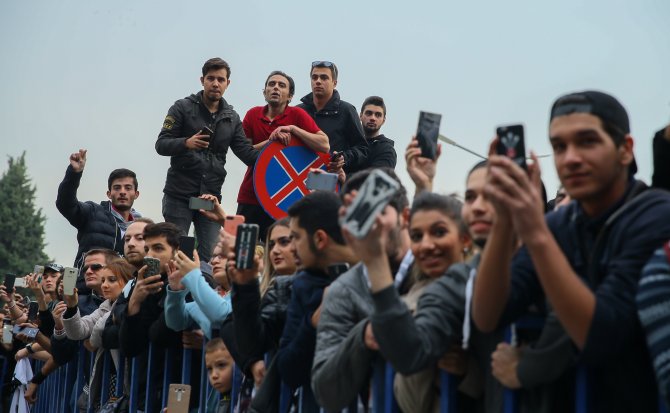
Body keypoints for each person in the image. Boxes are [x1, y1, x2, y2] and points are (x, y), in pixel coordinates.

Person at [471, 90, 670, 412]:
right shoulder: (560, 225)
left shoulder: (656, 214)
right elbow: (488, 315)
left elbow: (602, 336)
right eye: (559, 146)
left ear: (625, 150)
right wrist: (505, 220)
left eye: (587, 141)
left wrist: (535, 232)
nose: (570, 158)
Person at [311, 168, 409, 411]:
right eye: (359, 215)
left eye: (376, 210)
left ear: (404, 217)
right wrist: (362, 337)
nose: (370, 224)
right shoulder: (343, 289)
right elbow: (326, 390)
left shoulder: (432, 267)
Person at [155, 57, 258, 262]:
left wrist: (280, 155)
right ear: (202, 80)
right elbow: (161, 144)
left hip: (210, 199)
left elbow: (247, 154)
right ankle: (176, 294)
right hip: (179, 195)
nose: (216, 83)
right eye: (211, 78)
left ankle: (203, 294)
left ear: (228, 83)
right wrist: (186, 142)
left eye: (221, 79)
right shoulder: (182, 107)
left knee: (210, 259)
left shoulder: (232, 118)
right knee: (178, 255)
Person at [237, 71, 329, 239]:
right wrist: (271, 142)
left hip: (283, 203)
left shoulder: (298, 115)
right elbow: (244, 150)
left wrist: (294, 129)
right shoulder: (252, 114)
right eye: (271, 84)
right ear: (264, 92)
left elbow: (324, 144)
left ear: (290, 96)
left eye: (281, 85)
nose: (275, 88)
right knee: (242, 253)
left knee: (277, 252)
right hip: (251, 194)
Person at [61, 259, 134, 411]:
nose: (105, 285)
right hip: (110, 383)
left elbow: (97, 334)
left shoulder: (130, 304)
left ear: (129, 282)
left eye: (112, 280)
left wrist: (95, 342)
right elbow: (77, 332)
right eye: (103, 280)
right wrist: (72, 306)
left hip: (133, 383)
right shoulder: (105, 306)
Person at [56, 149, 141, 269]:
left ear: (136, 194)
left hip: (123, 287)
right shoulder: (92, 213)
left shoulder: (143, 228)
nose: (122, 192)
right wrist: (74, 173)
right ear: (109, 194)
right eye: (117, 188)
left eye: (128, 188)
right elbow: (65, 204)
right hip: (86, 286)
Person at [298, 61, 368, 175]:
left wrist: (343, 158)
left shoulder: (347, 110)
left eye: (324, 78)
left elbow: (363, 149)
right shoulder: (299, 111)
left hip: (331, 181)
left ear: (334, 83)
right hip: (298, 178)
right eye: (314, 77)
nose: (318, 81)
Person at [359, 96, 397, 169]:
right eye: (368, 113)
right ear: (360, 116)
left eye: (378, 115)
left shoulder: (387, 151)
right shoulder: (348, 143)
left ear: (383, 120)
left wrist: (345, 177)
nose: (373, 118)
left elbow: (377, 178)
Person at [203, 338, 234, 413]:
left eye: (221, 365)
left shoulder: (247, 397)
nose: (214, 375)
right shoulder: (214, 400)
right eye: (210, 369)